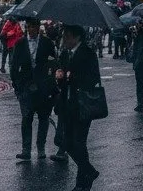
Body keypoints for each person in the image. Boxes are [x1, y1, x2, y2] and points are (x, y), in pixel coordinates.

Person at [54, 25, 101, 191]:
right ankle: (89, 172)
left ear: (76, 37)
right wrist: (60, 76)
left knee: (79, 144)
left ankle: (82, 183)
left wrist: (72, 76)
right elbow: (64, 80)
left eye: (66, 36)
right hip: (67, 105)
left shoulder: (88, 53)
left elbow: (94, 77)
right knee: (65, 142)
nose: (64, 39)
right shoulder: (66, 54)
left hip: (82, 106)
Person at [11, 18, 58, 160]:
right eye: (28, 27)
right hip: (25, 86)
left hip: (43, 87)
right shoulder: (20, 43)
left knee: (43, 118)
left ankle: (41, 147)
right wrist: (16, 85)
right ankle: (26, 149)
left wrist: (50, 81)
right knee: (26, 118)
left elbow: (53, 62)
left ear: (38, 27)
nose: (30, 30)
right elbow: (14, 65)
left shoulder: (47, 42)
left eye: (33, 27)